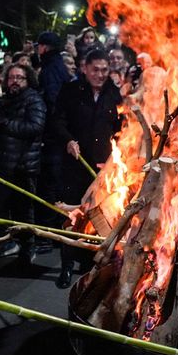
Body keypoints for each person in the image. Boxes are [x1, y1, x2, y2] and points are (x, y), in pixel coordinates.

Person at [53, 48, 123, 288]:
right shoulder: (71, 91)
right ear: (85, 68)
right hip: (74, 164)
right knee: (72, 216)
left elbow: (121, 129)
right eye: (95, 69)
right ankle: (66, 265)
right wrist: (68, 140)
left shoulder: (113, 94)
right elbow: (57, 121)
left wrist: (114, 161)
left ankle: (87, 264)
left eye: (104, 70)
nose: (100, 74)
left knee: (96, 215)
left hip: (102, 167)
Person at [0, 63, 46, 264]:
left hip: (23, 165)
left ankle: (28, 248)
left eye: (20, 77)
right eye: (12, 77)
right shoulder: (4, 99)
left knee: (24, 211)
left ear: (28, 80)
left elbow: (35, 126)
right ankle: (7, 243)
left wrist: (5, 124)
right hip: (3, 163)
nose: (15, 81)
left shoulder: (34, 100)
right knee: (1, 207)